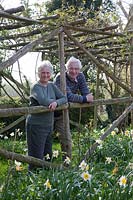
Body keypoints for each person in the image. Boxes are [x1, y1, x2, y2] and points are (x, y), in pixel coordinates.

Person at [26, 60, 67, 171]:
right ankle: (33, 181)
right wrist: (54, 101)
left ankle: (45, 179)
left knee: (47, 155)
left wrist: (56, 103)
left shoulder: (52, 86)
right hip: (36, 126)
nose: (45, 75)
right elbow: (43, 100)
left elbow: (64, 98)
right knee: (36, 156)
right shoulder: (35, 87)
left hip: (49, 126)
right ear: (38, 73)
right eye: (43, 72)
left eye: (48, 73)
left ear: (51, 74)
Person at [54, 56, 93, 159]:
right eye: (71, 68)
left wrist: (87, 97)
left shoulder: (80, 76)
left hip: (61, 114)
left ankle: (66, 166)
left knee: (66, 140)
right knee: (44, 140)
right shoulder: (60, 77)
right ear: (67, 69)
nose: (74, 71)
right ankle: (42, 167)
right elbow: (68, 97)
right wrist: (85, 99)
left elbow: (86, 92)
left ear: (79, 69)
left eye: (76, 69)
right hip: (50, 111)